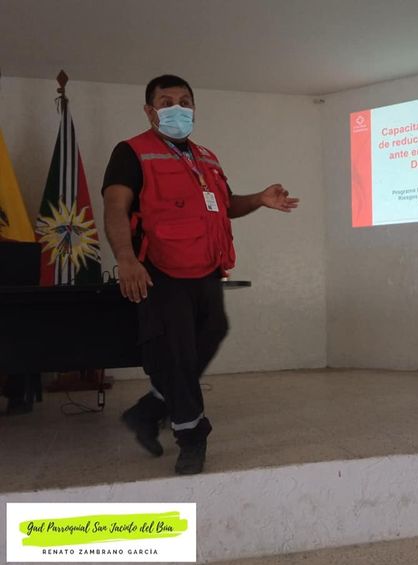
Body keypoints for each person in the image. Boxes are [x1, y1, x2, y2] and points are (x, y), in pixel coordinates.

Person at [102, 75, 298, 475]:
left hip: (207, 268)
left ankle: (150, 409)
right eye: (167, 102)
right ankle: (191, 436)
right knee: (178, 353)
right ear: (150, 111)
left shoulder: (206, 157)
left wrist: (259, 199)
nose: (178, 108)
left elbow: (223, 206)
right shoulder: (131, 152)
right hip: (160, 269)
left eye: (185, 101)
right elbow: (115, 208)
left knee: (214, 331)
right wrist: (126, 259)